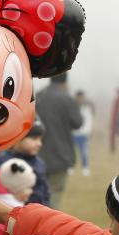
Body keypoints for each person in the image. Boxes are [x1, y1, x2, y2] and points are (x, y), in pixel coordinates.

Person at [35, 72, 82, 208]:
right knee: (54, 193)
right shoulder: (67, 98)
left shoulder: (39, 96)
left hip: (37, 152)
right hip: (61, 154)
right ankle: (48, 227)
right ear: (65, 82)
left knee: (38, 194)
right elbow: (77, 122)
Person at [72, 90, 94, 176]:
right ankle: (71, 167)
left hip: (83, 134)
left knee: (84, 152)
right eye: (79, 97)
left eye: (82, 98)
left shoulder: (86, 108)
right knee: (72, 152)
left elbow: (89, 121)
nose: (80, 99)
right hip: (73, 133)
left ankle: (85, 168)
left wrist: (88, 132)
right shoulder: (72, 108)